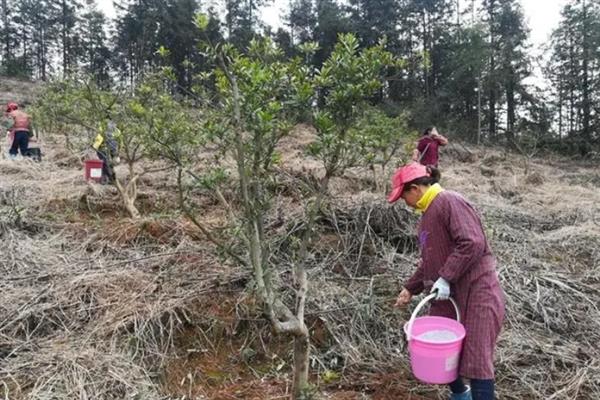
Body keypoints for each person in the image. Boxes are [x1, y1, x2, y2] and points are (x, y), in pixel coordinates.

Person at [389, 162, 505, 400]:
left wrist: (446, 277)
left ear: (415, 189)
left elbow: (472, 242)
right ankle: (461, 395)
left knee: (476, 357)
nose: (405, 203)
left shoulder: (448, 201)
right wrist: (410, 288)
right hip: (450, 295)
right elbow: (430, 261)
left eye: (403, 197)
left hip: (477, 291)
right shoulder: (428, 215)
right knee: (443, 350)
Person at [92, 120, 121, 184]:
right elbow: (120, 142)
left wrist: (94, 147)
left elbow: (99, 139)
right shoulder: (117, 131)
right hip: (108, 150)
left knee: (105, 164)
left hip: (106, 150)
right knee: (106, 164)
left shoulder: (104, 129)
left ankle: (109, 179)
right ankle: (109, 179)